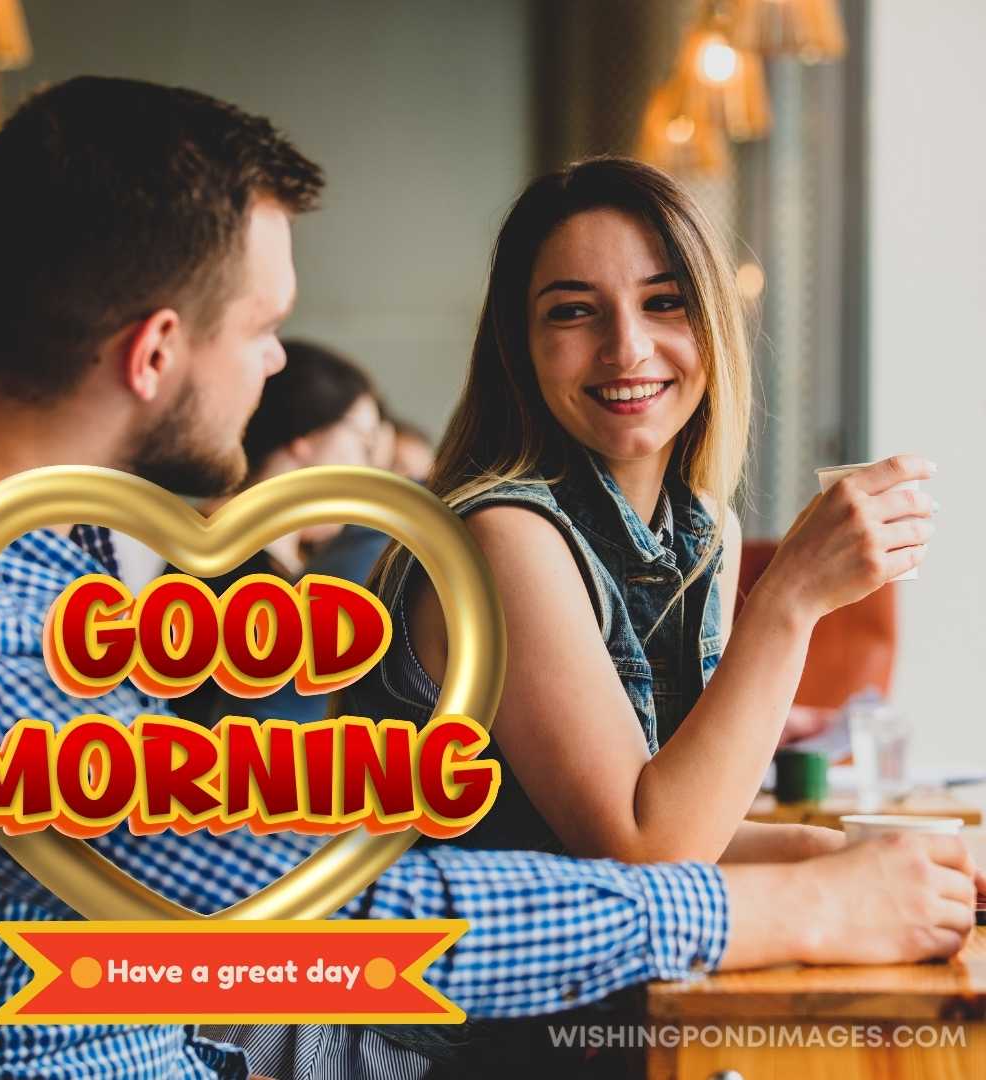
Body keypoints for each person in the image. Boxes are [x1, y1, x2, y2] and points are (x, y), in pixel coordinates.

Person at [0, 79, 977, 1080]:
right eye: (267, 329)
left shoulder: (28, 553)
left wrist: (852, 876)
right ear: (154, 354)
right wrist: (800, 912)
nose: (281, 366)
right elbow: (351, 926)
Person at [348, 157, 936, 867]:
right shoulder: (501, 538)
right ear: (520, 346)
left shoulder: (705, 530)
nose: (626, 348)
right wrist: (790, 598)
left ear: (715, 325)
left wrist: (871, 857)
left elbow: (695, 826)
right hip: (458, 972)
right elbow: (646, 850)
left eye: (664, 302)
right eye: (572, 311)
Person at [178, 338, 386, 725]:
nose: (369, 471)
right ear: (307, 437)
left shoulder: (219, 550)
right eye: (364, 444)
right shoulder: (224, 566)